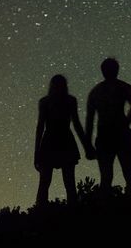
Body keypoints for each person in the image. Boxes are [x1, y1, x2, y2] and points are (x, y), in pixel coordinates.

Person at [34, 74, 93, 207]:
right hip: (61, 141)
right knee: (64, 183)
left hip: (54, 141)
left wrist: (37, 153)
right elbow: (76, 125)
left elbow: (40, 128)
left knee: (48, 183)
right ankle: (67, 214)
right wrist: (86, 146)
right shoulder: (68, 100)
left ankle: (40, 214)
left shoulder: (46, 102)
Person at [86, 57, 131, 195]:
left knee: (107, 178)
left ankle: (107, 210)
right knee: (129, 175)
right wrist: (126, 123)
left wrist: (88, 145)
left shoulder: (95, 92)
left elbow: (89, 121)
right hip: (119, 136)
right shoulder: (123, 87)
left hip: (106, 137)